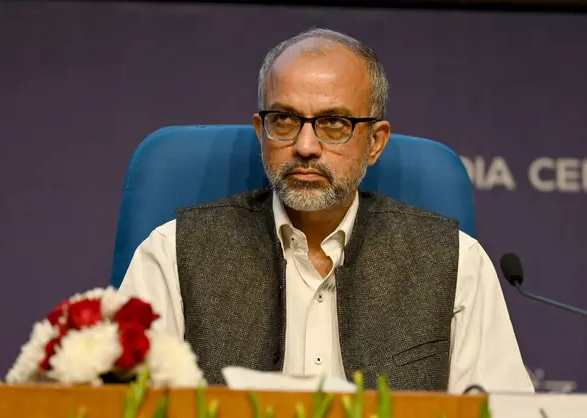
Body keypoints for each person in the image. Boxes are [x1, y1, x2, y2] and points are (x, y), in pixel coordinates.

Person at [120, 28, 534, 393]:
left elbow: (500, 409)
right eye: (283, 120)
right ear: (260, 131)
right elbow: (118, 404)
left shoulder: (457, 263)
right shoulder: (173, 252)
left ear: (375, 141)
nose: (305, 146)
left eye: (334, 123)